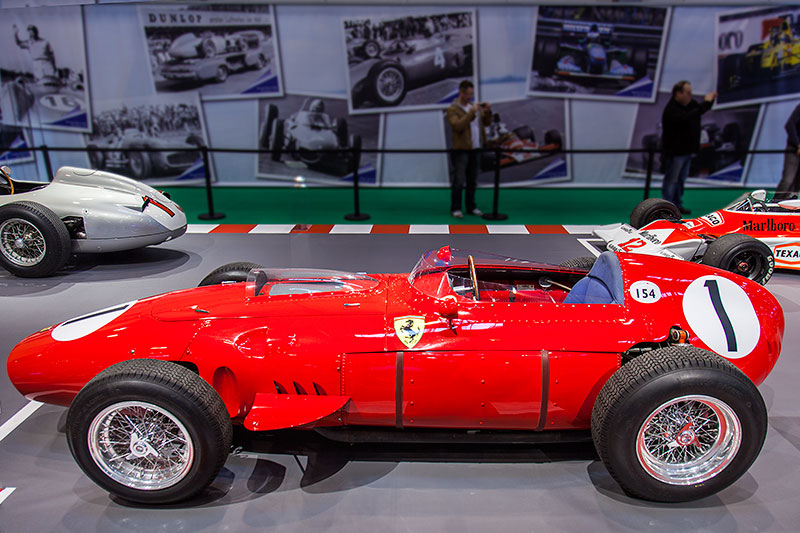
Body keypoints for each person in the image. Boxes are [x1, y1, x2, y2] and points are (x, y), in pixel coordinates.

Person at [661, 81, 717, 214]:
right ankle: (667, 207)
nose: (691, 95)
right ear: (678, 93)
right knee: (672, 180)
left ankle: (677, 205)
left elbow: (700, 110)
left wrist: (709, 101)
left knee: (680, 180)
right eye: (688, 92)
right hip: (675, 152)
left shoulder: (689, 105)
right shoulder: (672, 110)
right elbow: (689, 116)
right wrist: (705, 102)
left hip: (687, 150)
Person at [446, 80, 491, 218]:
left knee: (473, 180)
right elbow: (457, 126)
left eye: (472, 94)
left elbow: (486, 122)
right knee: (459, 181)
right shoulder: (453, 109)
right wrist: (471, 112)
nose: (470, 97)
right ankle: (456, 208)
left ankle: (471, 207)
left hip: (476, 148)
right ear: (461, 92)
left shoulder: (473, 107)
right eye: (468, 94)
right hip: (461, 150)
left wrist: (488, 111)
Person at [776, 102, 800, 197]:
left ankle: (790, 203)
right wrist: (798, 144)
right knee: (788, 180)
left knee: (797, 182)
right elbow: (789, 125)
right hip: (794, 149)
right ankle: (774, 203)